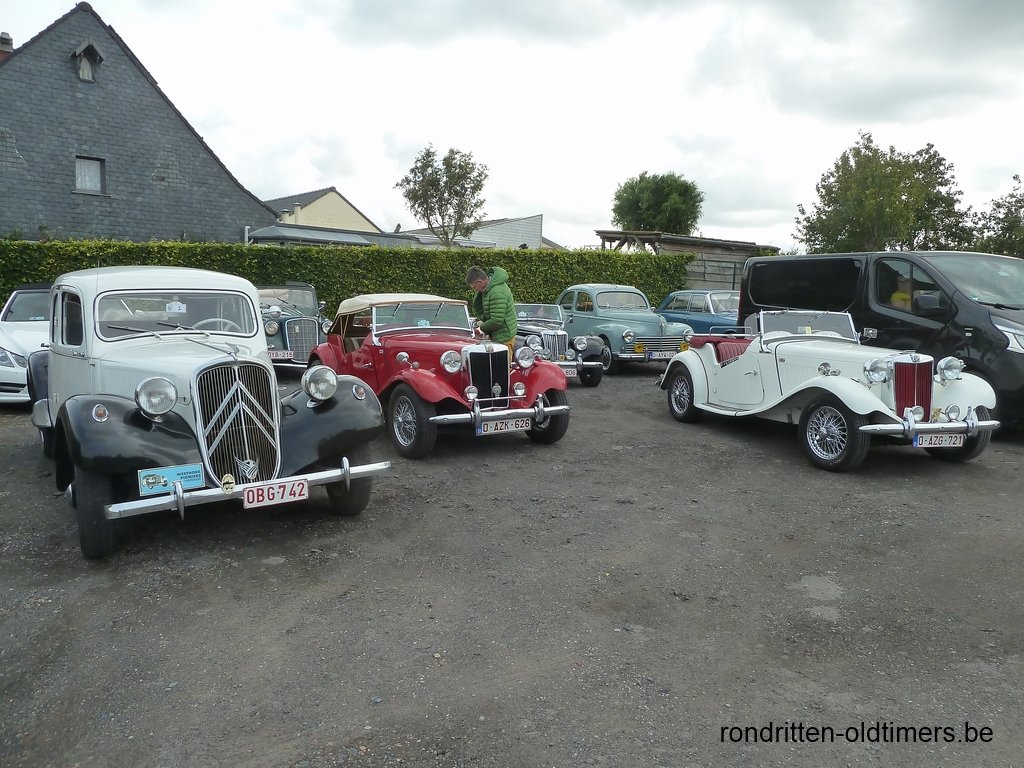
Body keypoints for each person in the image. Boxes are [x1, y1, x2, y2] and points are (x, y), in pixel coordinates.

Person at [467, 265, 517, 353]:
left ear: (479, 282)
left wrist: (481, 327)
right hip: (498, 333)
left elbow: (496, 320)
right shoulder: (488, 289)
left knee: (502, 361)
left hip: (504, 336)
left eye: (474, 287)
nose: (475, 290)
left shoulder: (497, 292)